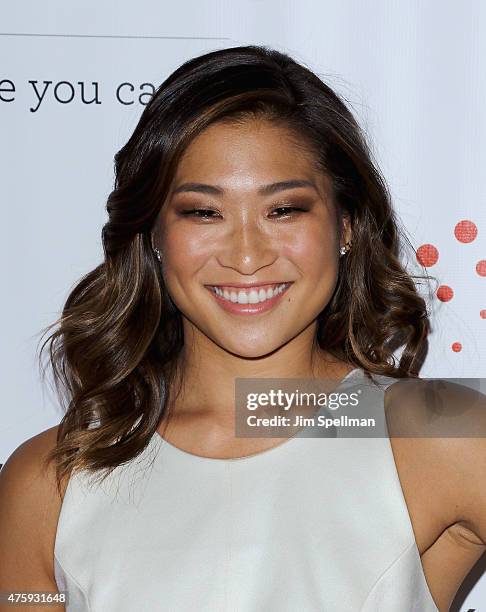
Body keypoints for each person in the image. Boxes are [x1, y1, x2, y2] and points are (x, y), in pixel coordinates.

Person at [0, 45, 485, 612]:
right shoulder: (47, 482)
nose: (247, 255)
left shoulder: (434, 437)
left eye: (285, 210)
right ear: (152, 236)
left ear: (346, 225)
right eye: (203, 213)